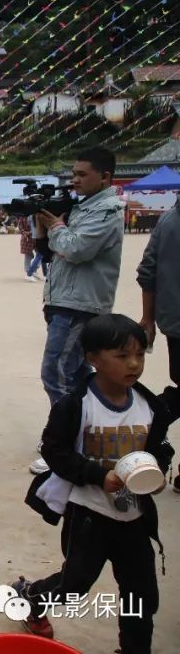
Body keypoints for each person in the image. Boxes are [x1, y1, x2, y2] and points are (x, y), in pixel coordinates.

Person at [16, 315, 175, 649]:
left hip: (134, 518)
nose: (134, 364)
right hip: (89, 515)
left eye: (140, 355)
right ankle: (31, 598)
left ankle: (134, 647)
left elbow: (160, 447)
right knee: (74, 585)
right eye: (122, 356)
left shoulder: (149, 408)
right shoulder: (77, 406)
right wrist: (98, 476)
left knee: (141, 594)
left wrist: (157, 470)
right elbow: (55, 450)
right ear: (93, 359)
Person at [30, 147, 125, 475]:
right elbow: (49, 253)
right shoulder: (81, 206)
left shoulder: (107, 210)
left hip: (80, 306)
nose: (75, 181)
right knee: (80, 374)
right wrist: (43, 224)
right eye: (73, 174)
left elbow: (77, 249)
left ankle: (63, 442)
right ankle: (88, 432)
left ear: (105, 177)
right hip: (64, 301)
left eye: (82, 174)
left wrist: (56, 226)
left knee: (55, 372)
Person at [136, 195, 180, 491]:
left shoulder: (167, 220)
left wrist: (148, 318)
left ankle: (148, 419)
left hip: (174, 323)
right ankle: (149, 419)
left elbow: (146, 272)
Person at [19, 216, 44, 282]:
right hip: (29, 238)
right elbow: (21, 228)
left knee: (38, 255)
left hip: (31, 238)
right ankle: (30, 271)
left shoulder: (23, 217)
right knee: (30, 255)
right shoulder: (31, 216)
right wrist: (27, 232)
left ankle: (32, 270)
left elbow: (21, 228)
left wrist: (26, 232)